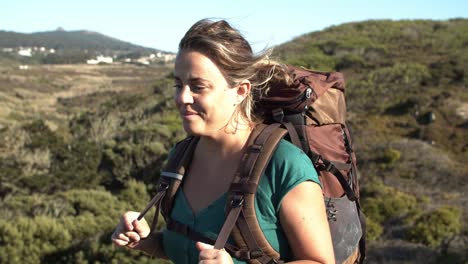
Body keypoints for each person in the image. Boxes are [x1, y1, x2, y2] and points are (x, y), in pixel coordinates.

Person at [111, 19, 335, 264]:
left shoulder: (284, 165)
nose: (182, 97)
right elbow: (188, 249)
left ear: (241, 91)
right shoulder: (180, 157)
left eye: (198, 86)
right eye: (178, 85)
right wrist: (148, 242)